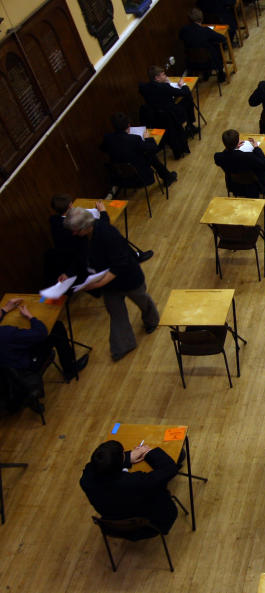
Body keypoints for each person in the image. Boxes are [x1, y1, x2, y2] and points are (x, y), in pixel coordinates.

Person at [61, 208, 159, 362]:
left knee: (142, 300)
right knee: (116, 313)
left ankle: (152, 320)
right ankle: (123, 346)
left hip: (127, 278)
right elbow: (79, 257)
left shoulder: (108, 233)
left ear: (86, 226)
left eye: (75, 230)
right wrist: (68, 273)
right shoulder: (80, 237)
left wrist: (98, 284)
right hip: (107, 283)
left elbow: (120, 264)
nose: (73, 234)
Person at [0, 298, 87, 412]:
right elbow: (41, 333)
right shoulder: (7, 334)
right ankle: (69, 369)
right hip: (24, 369)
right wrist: (31, 317)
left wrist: (5, 309)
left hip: (5, 375)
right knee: (56, 328)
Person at [79, 440, 178, 533]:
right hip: (149, 527)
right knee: (178, 457)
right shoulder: (135, 483)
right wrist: (148, 452)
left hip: (114, 528)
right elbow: (170, 469)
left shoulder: (85, 480)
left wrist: (127, 457)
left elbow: (94, 468)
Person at [100, 112, 177, 188]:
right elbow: (153, 147)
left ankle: (168, 176)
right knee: (150, 155)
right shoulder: (134, 139)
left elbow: (103, 149)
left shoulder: (107, 138)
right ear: (128, 125)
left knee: (143, 154)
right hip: (139, 177)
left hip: (120, 177)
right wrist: (147, 138)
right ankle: (168, 177)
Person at [138, 65, 196, 158]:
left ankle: (190, 127)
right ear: (156, 78)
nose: (165, 76)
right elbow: (184, 92)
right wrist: (183, 85)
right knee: (187, 100)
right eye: (163, 75)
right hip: (171, 115)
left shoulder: (145, 88)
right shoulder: (164, 87)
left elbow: (141, 86)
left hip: (157, 117)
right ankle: (190, 126)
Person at [214, 129, 265, 198]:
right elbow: (263, 163)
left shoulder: (218, 157)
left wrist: (231, 147)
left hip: (234, 185)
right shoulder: (248, 157)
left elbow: (227, 155)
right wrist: (256, 148)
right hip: (254, 186)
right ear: (237, 142)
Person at [179, 8, 227, 82]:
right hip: (209, 63)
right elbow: (223, 38)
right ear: (201, 18)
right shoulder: (206, 31)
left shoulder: (184, 30)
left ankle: (206, 74)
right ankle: (221, 75)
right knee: (216, 49)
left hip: (192, 63)